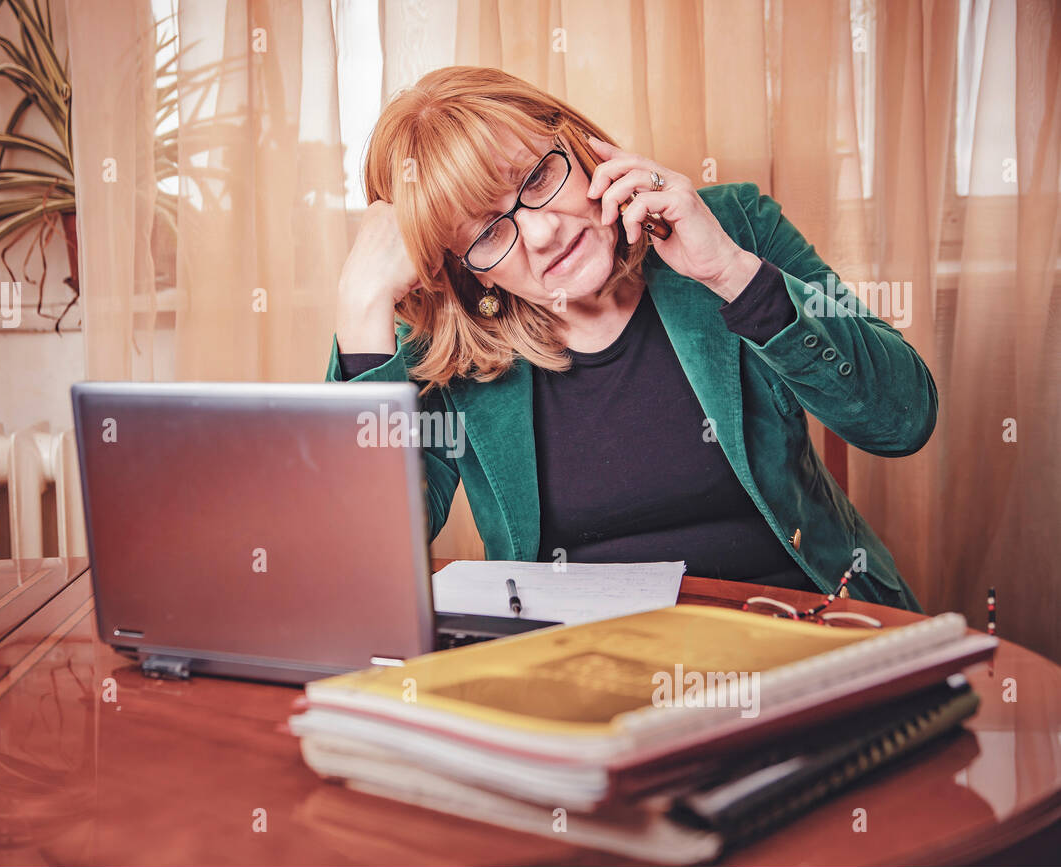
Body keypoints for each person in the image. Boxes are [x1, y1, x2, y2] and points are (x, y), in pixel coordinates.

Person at [326, 66, 936, 612]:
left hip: (799, 633)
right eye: (486, 233)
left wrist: (729, 271)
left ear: (579, 144)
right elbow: (362, 568)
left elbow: (901, 420)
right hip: (587, 675)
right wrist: (362, 310)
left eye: (536, 178)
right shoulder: (443, 349)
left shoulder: (735, 225)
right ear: (465, 270)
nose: (541, 234)